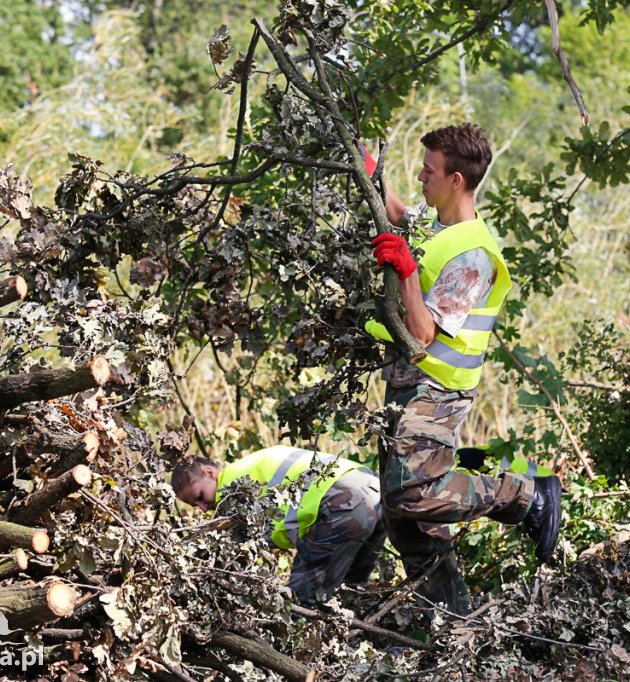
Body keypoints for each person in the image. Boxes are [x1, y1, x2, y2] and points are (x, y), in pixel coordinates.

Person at [364, 123, 562, 616]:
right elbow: (395, 211)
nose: (420, 176)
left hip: (439, 390)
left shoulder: (472, 254)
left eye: (429, 170)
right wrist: (364, 164)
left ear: (456, 180)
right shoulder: (437, 227)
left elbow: (424, 331)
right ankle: (450, 620)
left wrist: (407, 271)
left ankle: (522, 493)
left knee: (411, 493)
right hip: (406, 385)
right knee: (401, 515)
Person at [172, 445, 386, 605]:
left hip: (342, 503)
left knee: (303, 599)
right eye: (194, 505)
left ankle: (306, 662)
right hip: (375, 495)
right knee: (352, 588)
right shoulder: (252, 462)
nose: (202, 508)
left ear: (209, 473)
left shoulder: (232, 488)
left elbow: (240, 552)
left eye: (200, 496)